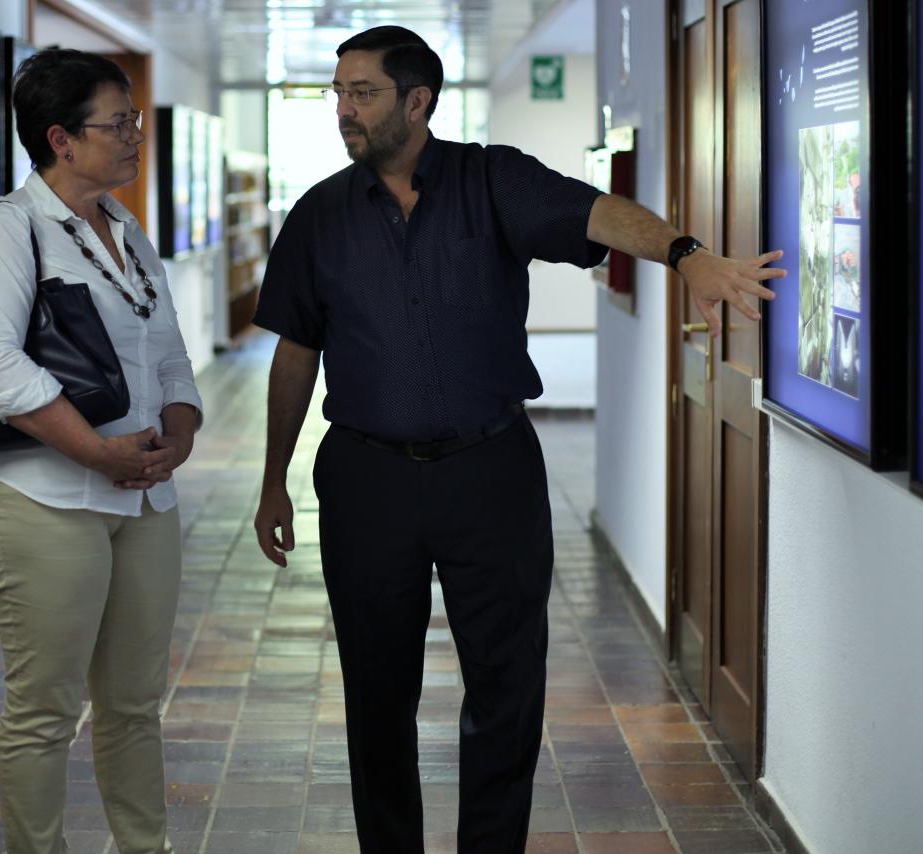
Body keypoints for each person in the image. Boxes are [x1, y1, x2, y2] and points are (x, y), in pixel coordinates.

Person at [251, 25, 784, 854]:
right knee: (376, 692)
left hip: (489, 473)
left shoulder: (490, 180)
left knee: (506, 687)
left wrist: (685, 254)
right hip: (367, 482)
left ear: (418, 101)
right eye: (339, 93)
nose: (344, 111)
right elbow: (294, 349)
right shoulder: (320, 215)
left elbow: (595, 213)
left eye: (362, 93)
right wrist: (273, 480)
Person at [0, 48, 202, 854]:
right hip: (43, 500)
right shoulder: (12, 226)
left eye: (134, 119)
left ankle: (145, 846)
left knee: (133, 704)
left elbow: (169, 355)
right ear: (61, 138)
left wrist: (179, 434)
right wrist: (99, 453)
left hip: (143, 498)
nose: (135, 135)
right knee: (44, 709)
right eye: (118, 122)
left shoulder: (127, 229)